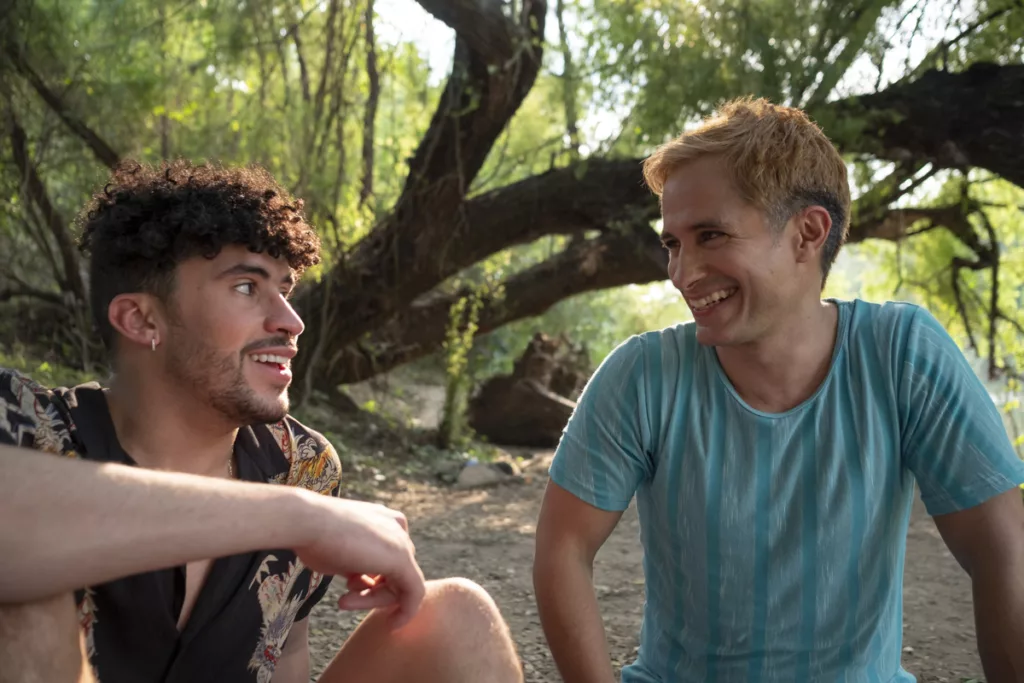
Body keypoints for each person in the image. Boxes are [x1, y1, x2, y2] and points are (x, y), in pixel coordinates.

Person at [532, 97, 1024, 683]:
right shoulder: (642, 377)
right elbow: (563, 550)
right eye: (673, 244)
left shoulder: (902, 355)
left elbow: (1003, 554)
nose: (682, 274)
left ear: (807, 233)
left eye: (711, 235)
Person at [0, 160, 523, 683]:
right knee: (21, 598)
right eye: (248, 287)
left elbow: (284, 649)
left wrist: (298, 507)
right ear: (141, 319)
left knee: (461, 615)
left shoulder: (303, 466)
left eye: (286, 290)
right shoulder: (24, 426)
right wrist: (296, 518)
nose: (291, 323)